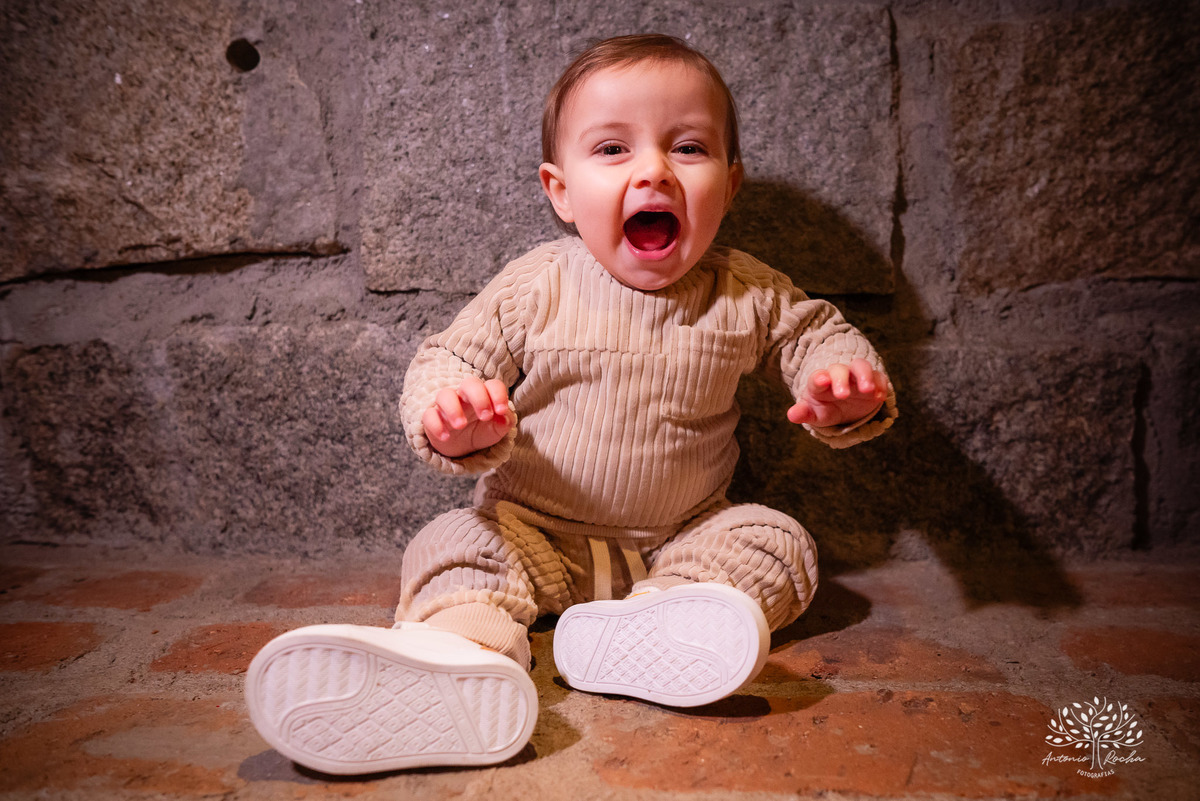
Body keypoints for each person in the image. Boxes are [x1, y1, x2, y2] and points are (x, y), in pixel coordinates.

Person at [244, 33, 896, 775]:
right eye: (613, 150)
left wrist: (842, 384)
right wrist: (453, 415)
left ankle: (659, 626)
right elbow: (449, 358)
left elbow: (817, 334)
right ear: (560, 190)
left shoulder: (747, 290)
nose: (653, 170)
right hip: (534, 532)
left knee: (779, 541)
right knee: (451, 543)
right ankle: (461, 653)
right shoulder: (536, 286)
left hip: (682, 538)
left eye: (687, 148)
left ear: (730, 182)